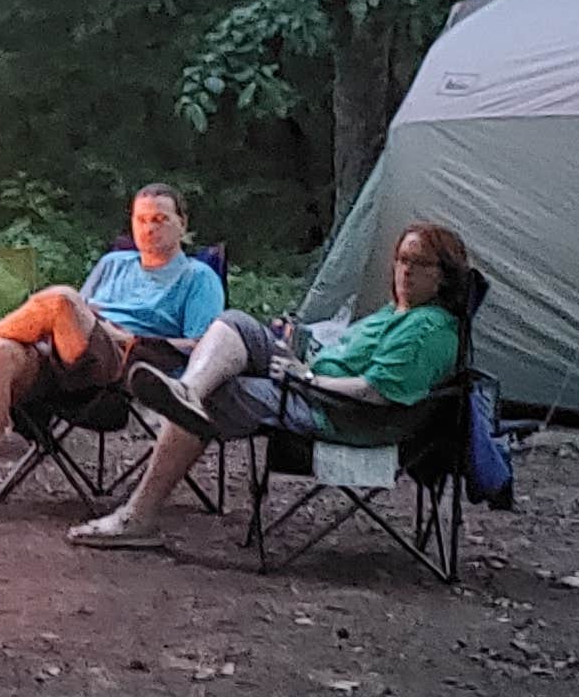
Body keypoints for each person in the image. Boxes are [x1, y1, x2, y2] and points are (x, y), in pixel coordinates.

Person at [65, 222, 474, 550]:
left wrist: (307, 378)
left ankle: (139, 515)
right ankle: (186, 390)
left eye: (419, 263)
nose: (405, 270)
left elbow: (376, 393)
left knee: (219, 394)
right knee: (237, 323)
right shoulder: (399, 312)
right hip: (314, 384)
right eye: (401, 259)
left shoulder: (427, 329)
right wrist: (303, 355)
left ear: (444, 276)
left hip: (337, 412)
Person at [0, 183, 227, 520]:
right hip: (71, 360)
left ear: (183, 224)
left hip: (128, 365)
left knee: (61, 299)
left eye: (160, 219)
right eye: (142, 219)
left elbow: (200, 347)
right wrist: (85, 323)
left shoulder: (197, 277)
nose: (149, 228)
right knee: (2, 350)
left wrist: (125, 335)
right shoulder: (113, 264)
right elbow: (77, 317)